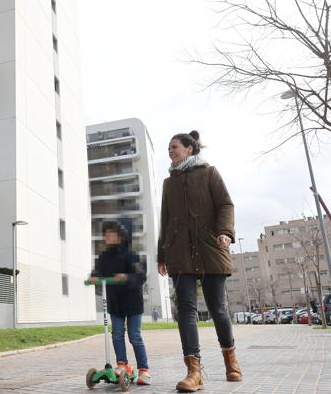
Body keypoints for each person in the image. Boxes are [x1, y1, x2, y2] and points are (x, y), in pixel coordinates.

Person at [157, 131, 242, 392]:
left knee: (218, 309)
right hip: (179, 253)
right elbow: (166, 220)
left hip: (210, 248)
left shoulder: (209, 173)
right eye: (168, 148)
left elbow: (226, 205)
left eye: (174, 147)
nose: (170, 151)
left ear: (190, 149)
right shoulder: (168, 183)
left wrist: (225, 233)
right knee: (186, 311)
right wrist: (162, 255)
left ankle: (231, 361)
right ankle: (194, 371)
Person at [90, 220, 152, 386]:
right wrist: (93, 276)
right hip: (115, 303)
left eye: (112, 232)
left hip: (133, 303)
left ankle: (144, 370)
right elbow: (97, 270)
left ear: (121, 236)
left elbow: (141, 275)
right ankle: (122, 365)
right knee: (117, 334)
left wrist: (127, 277)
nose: (107, 235)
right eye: (106, 233)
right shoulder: (103, 257)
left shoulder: (132, 255)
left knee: (135, 336)